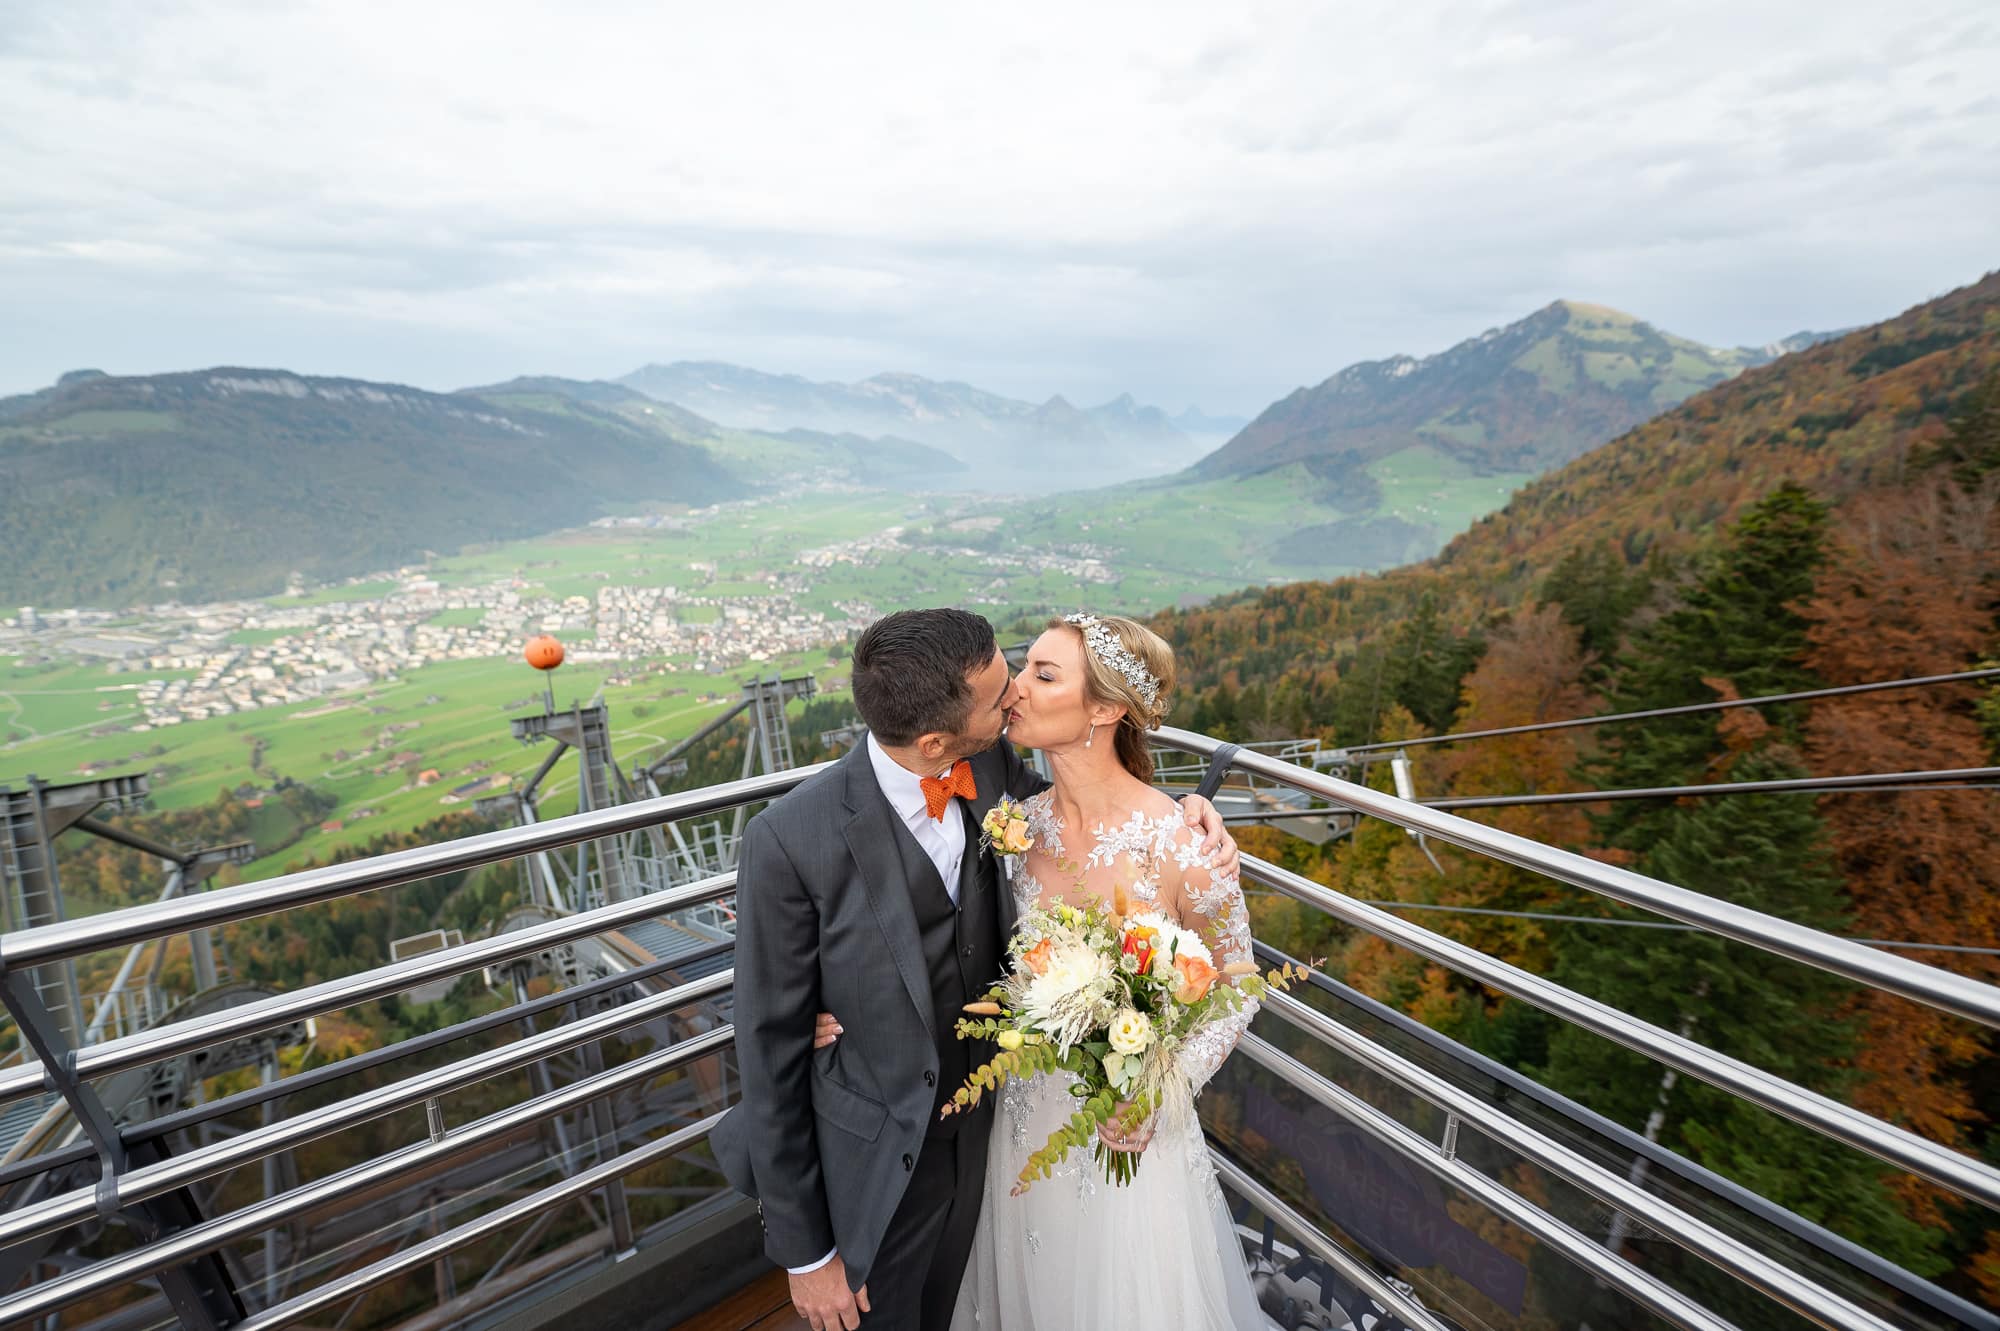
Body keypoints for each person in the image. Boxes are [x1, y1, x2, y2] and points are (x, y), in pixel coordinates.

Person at [709, 608, 1239, 1331]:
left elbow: (1111, 809)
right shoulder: (790, 839)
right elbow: (766, 1045)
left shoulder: (998, 771)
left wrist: (1191, 813)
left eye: (1030, 672)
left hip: (999, 1131)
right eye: (1006, 689)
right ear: (936, 740)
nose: (1016, 692)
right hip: (882, 1164)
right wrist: (807, 1256)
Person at [945, 612, 1266, 1329]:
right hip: (1027, 1121)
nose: (1015, 688)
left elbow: (1239, 975)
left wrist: (1164, 1085)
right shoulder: (1017, 828)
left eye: (1042, 674)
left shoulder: (1180, 840)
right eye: (1025, 668)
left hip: (1131, 1129)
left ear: (1106, 708)